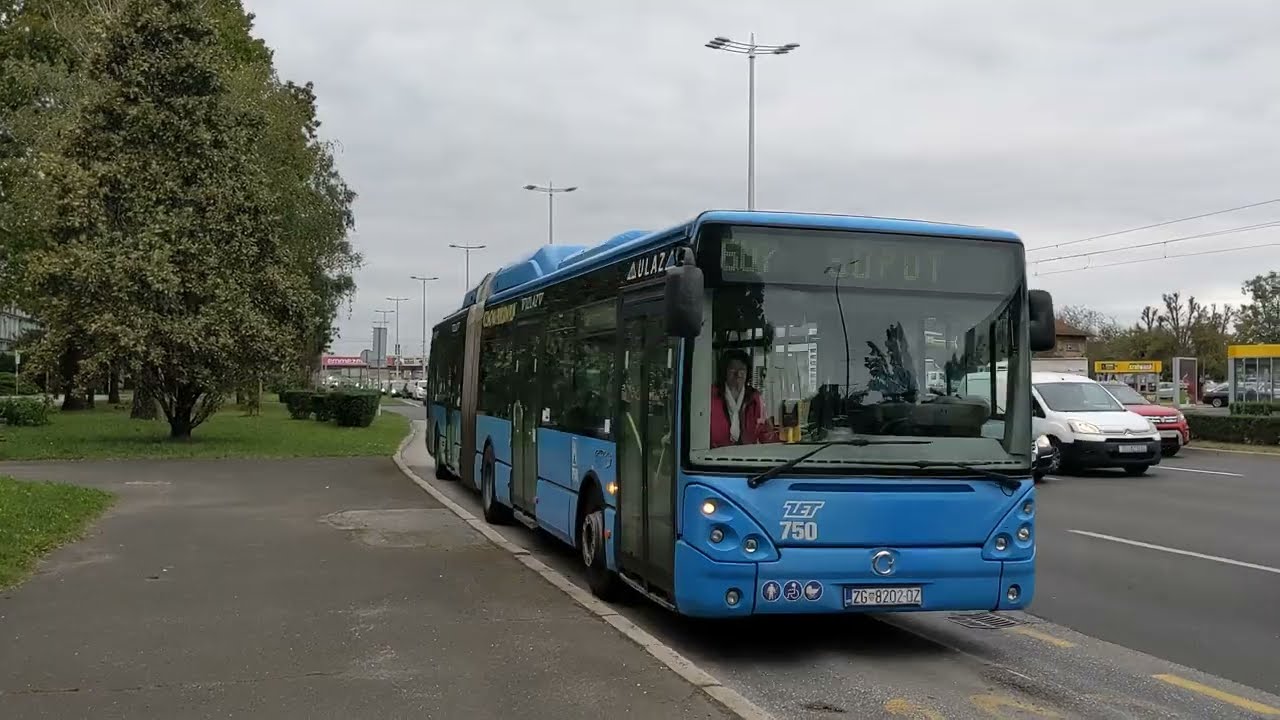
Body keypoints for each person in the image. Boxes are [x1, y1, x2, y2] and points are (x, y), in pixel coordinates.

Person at [710, 349, 778, 448]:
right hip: (715, 454)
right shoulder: (711, 395)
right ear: (724, 371)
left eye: (742, 370)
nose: (738, 374)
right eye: (732, 369)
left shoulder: (755, 398)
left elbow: (765, 432)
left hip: (746, 454)